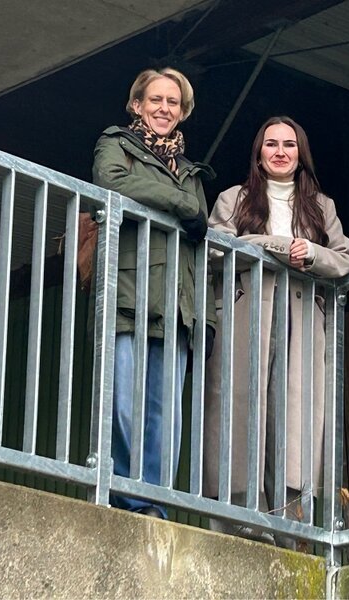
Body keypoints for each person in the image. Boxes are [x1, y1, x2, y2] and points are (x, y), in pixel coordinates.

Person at [203, 116, 349, 545]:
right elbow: (215, 247)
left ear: (300, 154)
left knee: (296, 420)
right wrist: (275, 247)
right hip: (246, 314)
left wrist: (312, 254)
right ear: (258, 154)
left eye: (289, 145)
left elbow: (347, 260)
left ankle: (291, 527)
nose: (280, 152)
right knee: (239, 411)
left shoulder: (321, 206)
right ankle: (238, 522)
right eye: (271, 144)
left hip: (302, 319)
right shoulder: (234, 198)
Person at [92, 67, 216, 519]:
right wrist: (181, 203)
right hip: (129, 291)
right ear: (137, 104)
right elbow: (111, 180)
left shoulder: (190, 170)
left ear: (183, 112)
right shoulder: (117, 144)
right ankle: (128, 497)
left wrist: (204, 314)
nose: (164, 109)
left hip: (178, 303)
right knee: (124, 403)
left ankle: (154, 504)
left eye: (173, 102)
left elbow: (201, 229)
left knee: (166, 413)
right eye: (156, 100)